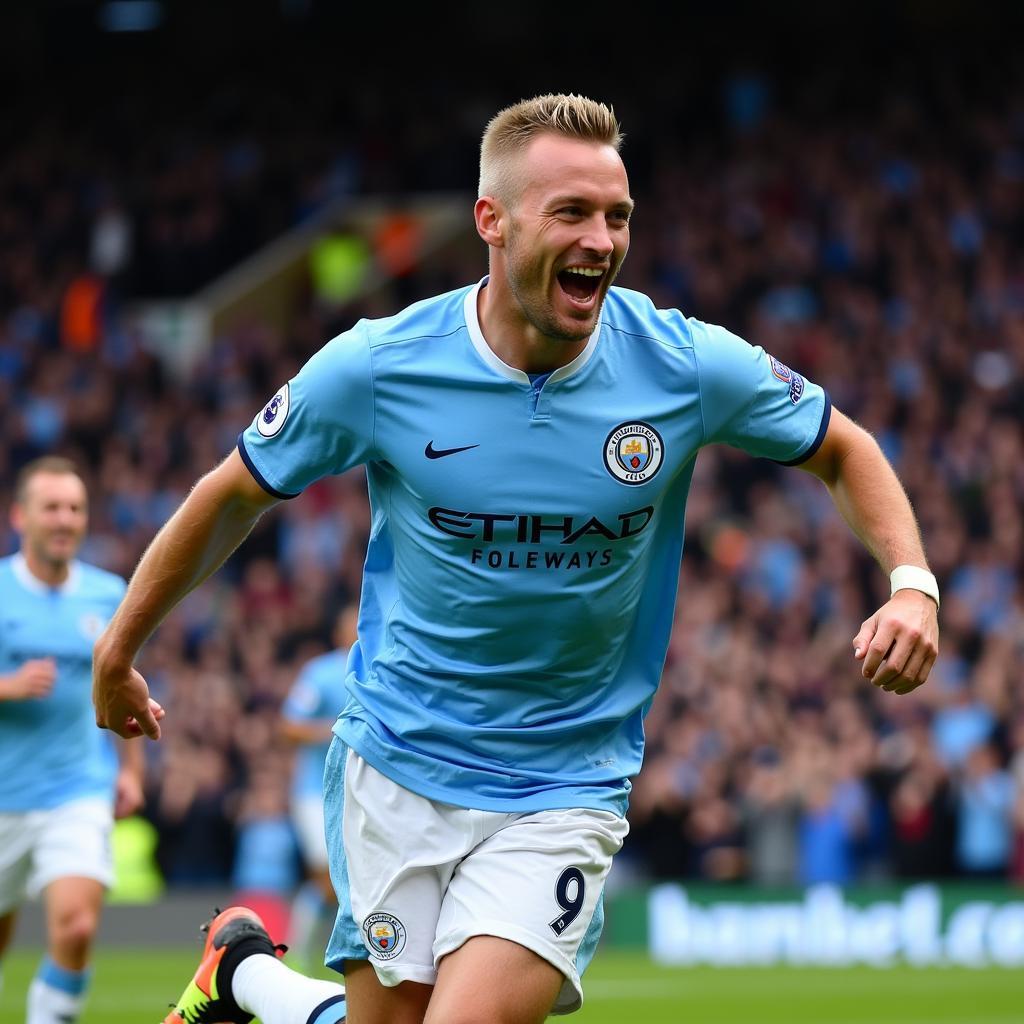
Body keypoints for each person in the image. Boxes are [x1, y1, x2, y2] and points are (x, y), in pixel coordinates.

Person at [93, 94, 940, 1024]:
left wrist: (912, 585)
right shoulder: (380, 366)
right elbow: (231, 495)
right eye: (571, 212)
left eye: (617, 215)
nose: (602, 239)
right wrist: (118, 651)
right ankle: (244, 976)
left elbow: (843, 447)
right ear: (492, 221)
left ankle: (245, 980)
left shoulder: (682, 364)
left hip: (567, 778)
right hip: (399, 762)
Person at [0, 456, 147, 1024]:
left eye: (75, 508)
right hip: (5, 794)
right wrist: (8, 687)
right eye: (52, 508)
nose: (65, 519)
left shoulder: (109, 596)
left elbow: (124, 692)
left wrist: (130, 772)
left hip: (76, 789)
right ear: (21, 517)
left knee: (77, 924)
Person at [282, 605, 359, 969]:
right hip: (315, 791)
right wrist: (336, 729)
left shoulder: (382, 670)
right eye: (351, 623)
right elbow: (290, 725)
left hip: (361, 793)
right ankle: (298, 950)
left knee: (348, 875)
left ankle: (316, 950)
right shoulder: (321, 672)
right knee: (325, 875)